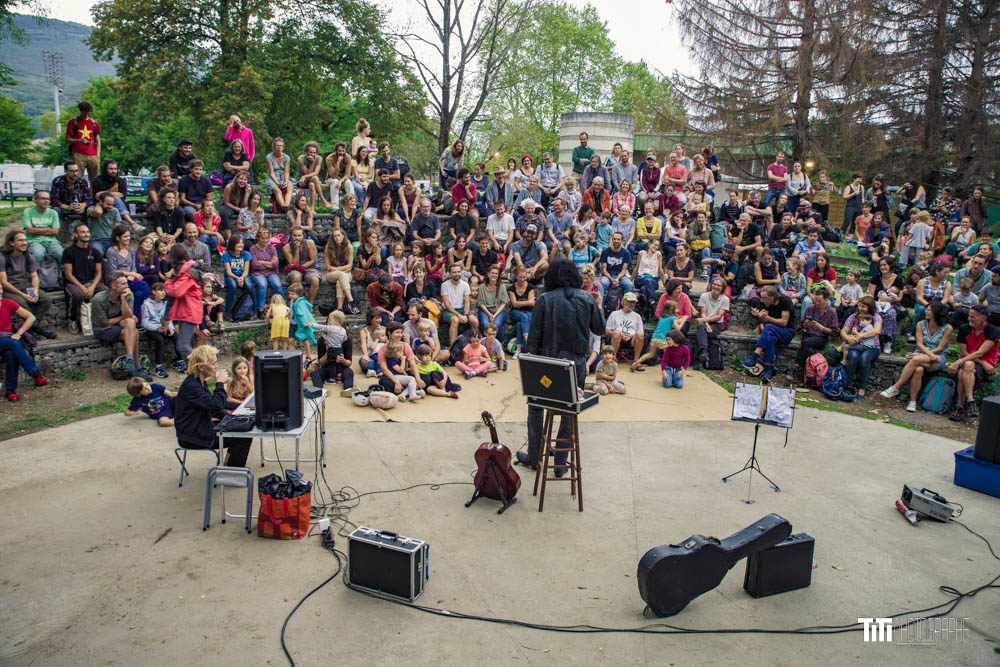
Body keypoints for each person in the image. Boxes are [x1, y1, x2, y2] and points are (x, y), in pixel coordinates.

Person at [517, 259, 604, 472]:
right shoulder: (587, 299)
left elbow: (534, 339)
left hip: (548, 367)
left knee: (536, 407)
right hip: (576, 367)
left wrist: (529, 369)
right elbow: (600, 329)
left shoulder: (545, 299)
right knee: (568, 411)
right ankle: (560, 463)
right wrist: (598, 304)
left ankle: (535, 457)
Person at [174, 345, 252, 466]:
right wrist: (219, 383)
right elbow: (215, 405)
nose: (216, 367)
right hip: (193, 436)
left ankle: (229, 468)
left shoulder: (198, 382)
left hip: (200, 427)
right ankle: (231, 471)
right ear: (201, 367)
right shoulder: (192, 386)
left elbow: (215, 407)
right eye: (213, 364)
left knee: (242, 428)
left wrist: (234, 417)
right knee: (243, 436)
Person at [881, 302, 953, 411]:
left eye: (929, 310)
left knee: (915, 359)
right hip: (923, 354)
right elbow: (919, 344)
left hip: (937, 357)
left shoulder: (947, 328)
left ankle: (896, 387)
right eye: (926, 309)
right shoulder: (920, 324)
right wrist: (926, 354)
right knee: (918, 369)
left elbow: (940, 348)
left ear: (936, 313)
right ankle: (912, 402)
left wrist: (923, 354)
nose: (926, 312)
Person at [92, 272, 149, 380]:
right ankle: (137, 367)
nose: (127, 286)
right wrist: (124, 318)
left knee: (131, 324)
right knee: (134, 332)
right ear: (113, 286)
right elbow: (104, 323)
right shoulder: (98, 300)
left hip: (120, 325)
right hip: (103, 329)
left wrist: (123, 300)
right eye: (123, 284)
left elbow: (129, 316)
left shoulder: (127, 294)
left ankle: (129, 359)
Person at [0, 230, 56, 339]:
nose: (24, 243)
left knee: (46, 299)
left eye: (25, 240)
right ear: (11, 243)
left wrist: (35, 290)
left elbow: (34, 276)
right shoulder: (3, 257)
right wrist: (22, 295)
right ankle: (36, 329)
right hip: (9, 289)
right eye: (20, 240)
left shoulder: (28, 256)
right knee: (22, 302)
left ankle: (32, 327)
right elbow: (4, 282)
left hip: (25, 284)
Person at [0, 283, 50, 402]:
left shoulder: (7, 302)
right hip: (5, 340)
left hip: (7, 339)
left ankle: (10, 390)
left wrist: (19, 333)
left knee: (11, 354)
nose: (0, 292)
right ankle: (35, 374)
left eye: (1, 289)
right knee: (13, 343)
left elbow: (31, 317)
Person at [948, 306, 998, 422]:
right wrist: (977, 361)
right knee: (968, 365)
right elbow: (964, 352)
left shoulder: (993, 330)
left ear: (983, 318)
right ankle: (970, 401)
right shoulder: (964, 328)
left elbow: (980, 352)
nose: (969, 318)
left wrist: (959, 362)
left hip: (986, 362)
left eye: (973, 316)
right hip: (970, 361)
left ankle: (959, 407)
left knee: (962, 372)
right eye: (969, 315)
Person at [740, 285, 794, 381]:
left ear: (772, 298)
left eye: (764, 298)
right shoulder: (767, 304)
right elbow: (765, 321)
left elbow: (784, 322)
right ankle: (769, 370)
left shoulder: (785, 301)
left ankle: (754, 357)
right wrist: (759, 316)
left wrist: (767, 319)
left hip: (787, 332)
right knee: (771, 339)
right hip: (773, 332)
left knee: (769, 328)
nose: (761, 300)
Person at [787, 285, 838, 383]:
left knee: (806, 343)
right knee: (808, 350)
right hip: (808, 335)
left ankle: (796, 367)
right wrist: (806, 324)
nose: (817, 303)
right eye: (816, 300)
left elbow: (834, 332)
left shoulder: (832, 312)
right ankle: (805, 378)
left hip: (821, 337)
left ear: (826, 299)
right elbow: (803, 325)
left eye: (820, 301)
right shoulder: (811, 308)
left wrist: (821, 327)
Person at [62, 222, 106, 334]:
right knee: (77, 295)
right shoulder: (68, 251)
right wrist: (82, 288)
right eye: (82, 232)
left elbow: (99, 273)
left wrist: (92, 287)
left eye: (87, 232)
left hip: (91, 282)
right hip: (74, 283)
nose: (86, 234)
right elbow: (68, 274)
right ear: (76, 235)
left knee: (105, 291)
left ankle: (100, 320)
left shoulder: (95, 252)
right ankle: (72, 319)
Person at [839, 296, 882, 397]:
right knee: (853, 356)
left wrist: (860, 336)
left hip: (872, 347)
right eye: (859, 306)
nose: (860, 308)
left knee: (864, 358)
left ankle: (862, 387)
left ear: (869, 308)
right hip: (856, 345)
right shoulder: (853, 317)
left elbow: (877, 330)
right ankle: (848, 385)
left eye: (864, 306)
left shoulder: (875, 317)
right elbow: (843, 331)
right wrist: (847, 338)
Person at [90, 158, 140, 232]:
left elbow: (123, 196)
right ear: (105, 169)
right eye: (110, 169)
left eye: (115, 169)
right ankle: (132, 223)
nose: (113, 171)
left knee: (115, 201)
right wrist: (112, 194)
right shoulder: (98, 180)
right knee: (114, 198)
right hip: (100, 205)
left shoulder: (121, 181)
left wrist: (104, 193)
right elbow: (96, 196)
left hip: (116, 206)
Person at [694, 276, 730, 368]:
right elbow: (703, 313)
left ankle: (700, 356)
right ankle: (704, 352)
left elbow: (718, 317)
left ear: (722, 288)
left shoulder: (725, 299)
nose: (716, 287)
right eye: (714, 284)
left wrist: (704, 322)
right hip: (705, 320)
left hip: (716, 323)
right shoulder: (704, 296)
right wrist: (706, 324)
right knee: (701, 327)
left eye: (718, 285)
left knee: (701, 331)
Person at [140, 281, 174, 378]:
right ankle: (158, 367)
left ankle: (179, 361)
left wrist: (170, 328)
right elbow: (145, 322)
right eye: (160, 290)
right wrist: (156, 328)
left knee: (175, 335)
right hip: (152, 329)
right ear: (154, 291)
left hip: (163, 326)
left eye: (164, 291)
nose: (163, 293)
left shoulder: (165, 303)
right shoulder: (146, 304)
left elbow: (168, 317)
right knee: (159, 340)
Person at [249, 227, 284, 318]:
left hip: (271, 272)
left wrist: (262, 262)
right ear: (258, 238)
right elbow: (254, 265)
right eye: (262, 238)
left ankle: (283, 306)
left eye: (267, 238)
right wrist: (269, 263)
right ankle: (260, 309)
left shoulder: (272, 248)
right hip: (258, 273)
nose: (265, 241)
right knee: (262, 285)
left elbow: (276, 264)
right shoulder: (253, 249)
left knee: (278, 285)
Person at [21, 189, 63, 264]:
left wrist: (36, 230)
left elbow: (55, 231)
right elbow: (30, 231)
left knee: (62, 254)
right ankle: (33, 273)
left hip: (52, 241)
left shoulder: (53, 213)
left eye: (48, 199)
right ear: (35, 200)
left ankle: (63, 274)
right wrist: (48, 228)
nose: (46, 201)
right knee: (38, 254)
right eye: (43, 198)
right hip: (33, 241)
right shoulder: (28, 211)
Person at [323, 227, 359, 314]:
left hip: (346, 274)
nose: (337, 238)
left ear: (343, 236)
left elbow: (350, 264)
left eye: (338, 235)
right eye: (334, 236)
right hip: (331, 274)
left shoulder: (349, 247)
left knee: (340, 280)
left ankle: (339, 308)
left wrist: (337, 269)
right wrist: (341, 269)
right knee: (341, 275)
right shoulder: (328, 248)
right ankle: (351, 301)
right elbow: (328, 267)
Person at [65, 100, 101, 182]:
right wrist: (79, 141)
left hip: (92, 154)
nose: (87, 115)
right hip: (78, 154)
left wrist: (97, 155)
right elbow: (67, 139)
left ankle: (94, 194)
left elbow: (98, 140)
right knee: (76, 178)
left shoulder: (93, 123)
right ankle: (77, 194)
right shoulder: (73, 122)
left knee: (96, 179)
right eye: (85, 112)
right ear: (81, 111)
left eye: (89, 113)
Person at [441, 263, 477, 343]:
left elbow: (467, 302)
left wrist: (465, 314)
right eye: (454, 272)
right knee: (455, 320)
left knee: (475, 321)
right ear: (449, 273)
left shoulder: (465, 284)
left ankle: (473, 343)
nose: (457, 274)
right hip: (449, 310)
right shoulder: (444, 285)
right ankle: (453, 346)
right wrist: (458, 315)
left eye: (459, 272)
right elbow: (446, 304)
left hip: (462, 309)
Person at [605, 292, 645, 363]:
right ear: (623, 301)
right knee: (617, 332)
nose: (631, 304)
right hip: (617, 339)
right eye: (629, 301)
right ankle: (613, 359)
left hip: (632, 339)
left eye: (633, 302)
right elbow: (607, 331)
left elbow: (641, 332)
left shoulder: (637, 316)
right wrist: (620, 335)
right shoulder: (614, 314)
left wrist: (631, 336)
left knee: (640, 334)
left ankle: (636, 361)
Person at [283, 227, 320, 304]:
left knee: (315, 280)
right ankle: (299, 303)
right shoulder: (286, 248)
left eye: (299, 235)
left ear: (303, 236)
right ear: (291, 236)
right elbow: (293, 264)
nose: (297, 238)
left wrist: (301, 267)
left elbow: (313, 261)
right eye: (295, 235)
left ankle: (310, 304)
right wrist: (296, 250)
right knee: (296, 276)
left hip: (309, 268)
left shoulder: (310, 243)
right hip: (294, 270)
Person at [477, 264, 508, 342]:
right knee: (485, 324)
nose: (494, 275)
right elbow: (481, 303)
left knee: (496, 324)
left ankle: (500, 344)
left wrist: (494, 315)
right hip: (485, 311)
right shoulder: (482, 287)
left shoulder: (502, 286)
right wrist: (489, 314)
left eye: (496, 273)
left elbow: (503, 303)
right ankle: (485, 344)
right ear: (488, 274)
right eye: (492, 273)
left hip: (498, 311)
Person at [295, 141, 330, 209]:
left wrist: (304, 176)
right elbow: (307, 173)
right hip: (301, 181)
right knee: (315, 178)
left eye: (314, 152)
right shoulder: (301, 159)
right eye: (310, 152)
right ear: (306, 152)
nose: (312, 154)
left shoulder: (319, 158)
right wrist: (311, 163)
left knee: (312, 184)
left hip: (310, 180)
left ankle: (312, 208)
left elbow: (316, 173)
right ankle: (324, 201)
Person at [599, 232, 633, 299]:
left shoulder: (626, 253)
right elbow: (604, 270)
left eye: (618, 239)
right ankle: (601, 307)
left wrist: (617, 279)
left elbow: (623, 271)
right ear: (612, 240)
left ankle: (624, 305)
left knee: (629, 285)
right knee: (603, 283)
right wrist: (612, 280)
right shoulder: (605, 251)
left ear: (622, 241)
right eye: (614, 239)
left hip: (620, 276)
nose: (616, 241)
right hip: (607, 276)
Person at [219, 171, 251, 235]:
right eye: (241, 179)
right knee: (224, 212)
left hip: (241, 207)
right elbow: (226, 202)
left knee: (249, 213)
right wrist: (238, 209)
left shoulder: (247, 189)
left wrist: (247, 194)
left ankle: (248, 234)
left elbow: (244, 205)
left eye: (245, 180)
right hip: (230, 206)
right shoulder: (229, 187)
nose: (242, 181)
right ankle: (228, 235)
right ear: (237, 179)